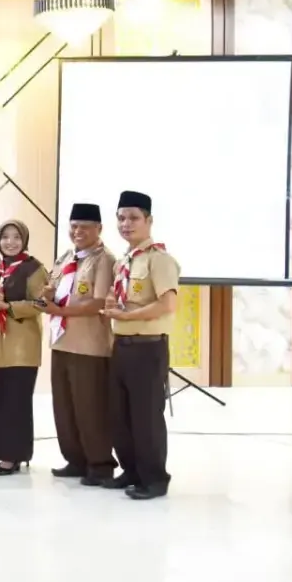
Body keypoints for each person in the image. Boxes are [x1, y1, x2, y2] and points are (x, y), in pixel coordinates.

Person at [100, 190, 180, 501]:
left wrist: (127, 315)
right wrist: (113, 304)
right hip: (122, 345)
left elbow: (167, 304)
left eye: (133, 218)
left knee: (146, 417)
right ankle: (131, 471)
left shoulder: (159, 260)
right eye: (121, 218)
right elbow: (122, 297)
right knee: (120, 415)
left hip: (147, 347)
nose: (126, 224)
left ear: (149, 220)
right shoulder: (123, 261)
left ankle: (155, 479)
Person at [41, 202, 117, 485]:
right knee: (65, 408)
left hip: (89, 346)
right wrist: (46, 296)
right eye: (74, 226)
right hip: (61, 341)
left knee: (90, 408)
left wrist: (59, 310)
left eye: (85, 227)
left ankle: (99, 464)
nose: (78, 232)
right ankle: (76, 460)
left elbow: (97, 303)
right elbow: (53, 289)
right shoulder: (66, 257)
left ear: (99, 229)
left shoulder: (104, 259)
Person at [0, 219, 48, 475]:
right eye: (5, 237)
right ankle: (3, 452)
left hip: (23, 344)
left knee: (16, 401)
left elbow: (41, 303)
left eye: (16, 237)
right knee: (0, 399)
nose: (10, 242)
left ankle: (14, 455)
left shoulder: (34, 268)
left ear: (25, 240)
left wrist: (9, 306)